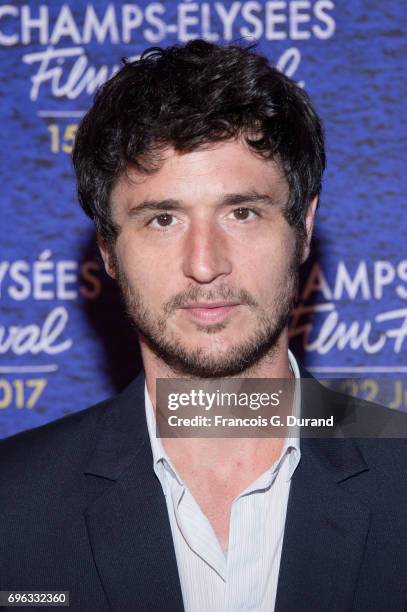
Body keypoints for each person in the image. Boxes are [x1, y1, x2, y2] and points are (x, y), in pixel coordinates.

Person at [1, 40, 407, 612]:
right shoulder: (12, 509)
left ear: (304, 226)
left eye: (242, 212)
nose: (204, 263)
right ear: (109, 251)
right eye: (162, 219)